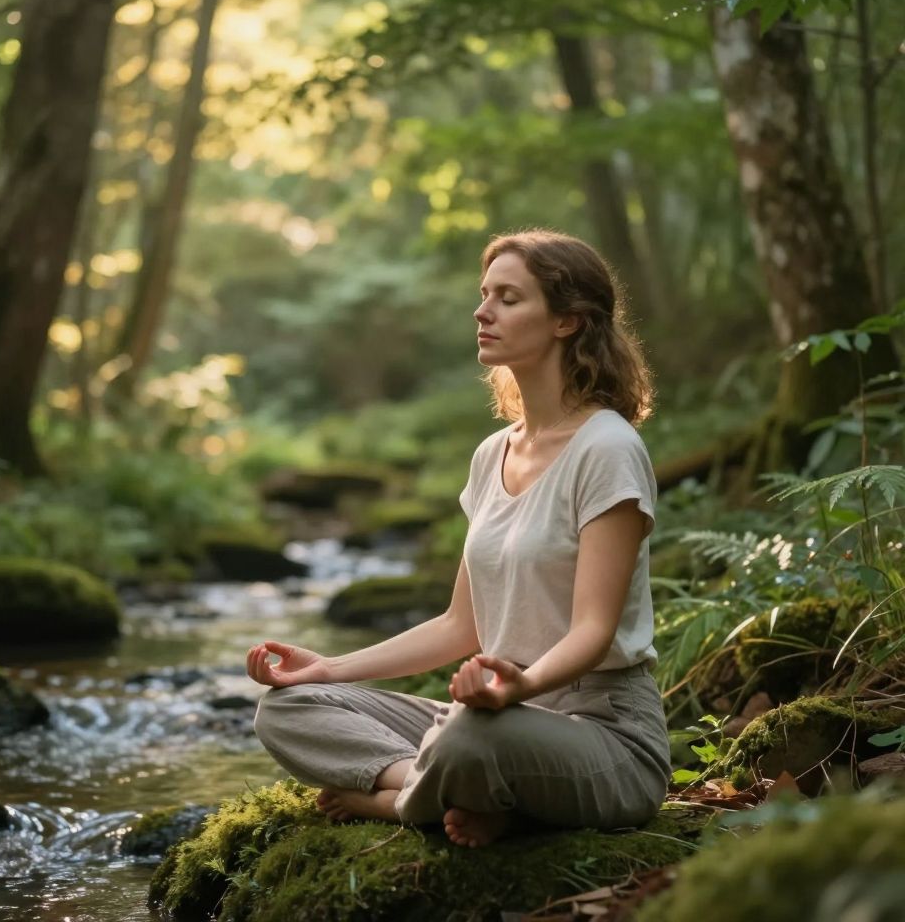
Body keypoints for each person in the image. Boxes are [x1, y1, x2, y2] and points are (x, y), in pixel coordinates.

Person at [247, 228, 671, 849]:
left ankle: (396, 805)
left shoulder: (607, 449)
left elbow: (593, 631)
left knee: (471, 736)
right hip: (499, 715)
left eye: (508, 297)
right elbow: (458, 627)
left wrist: (519, 688)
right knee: (287, 709)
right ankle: (459, 793)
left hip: (602, 731)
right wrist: (328, 669)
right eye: (483, 294)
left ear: (567, 321)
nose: (482, 311)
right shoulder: (492, 454)